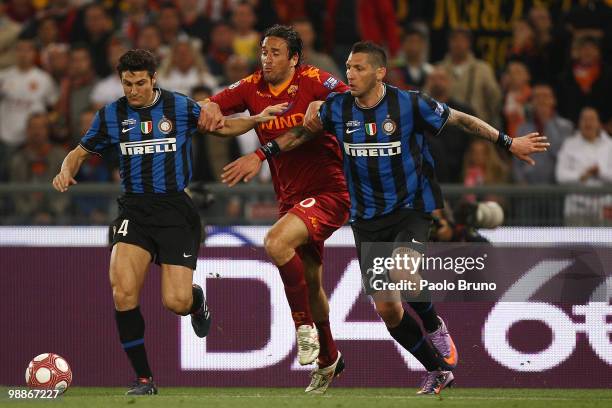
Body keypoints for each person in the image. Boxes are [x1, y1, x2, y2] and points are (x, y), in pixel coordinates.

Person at [223, 41, 548, 395]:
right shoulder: (337, 108)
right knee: (388, 309)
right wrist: (262, 153)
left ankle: (434, 323)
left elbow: (459, 119)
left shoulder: (408, 103)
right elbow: (302, 133)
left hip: (411, 207)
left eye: (359, 68)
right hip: (366, 218)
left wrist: (506, 141)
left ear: (380, 72)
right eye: (348, 67)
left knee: (404, 272)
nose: (351, 73)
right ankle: (438, 371)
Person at [51, 49, 282, 395]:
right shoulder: (111, 115)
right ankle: (144, 378)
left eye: (140, 83)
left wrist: (257, 119)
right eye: (127, 83)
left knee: (175, 303)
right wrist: (65, 171)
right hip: (134, 211)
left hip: (175, 211)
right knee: (123, 291)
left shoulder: (179, 106)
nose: (133, 90)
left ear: (153, 79)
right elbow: (79, 152)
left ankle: (195, 299)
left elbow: (222, 128)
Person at [198, 24, 350, 394]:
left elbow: (349, 98)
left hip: (329, 191)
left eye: (275, 52)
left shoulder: (314, 80)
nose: (266, 59)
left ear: (294, 58)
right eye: (264, 52)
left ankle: (302, 329)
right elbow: (213, 105)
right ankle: (329, 359)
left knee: (276, 242)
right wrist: (208, 110)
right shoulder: (251, 87)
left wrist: (324, 104)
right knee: (312, 284)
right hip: (291, 197)